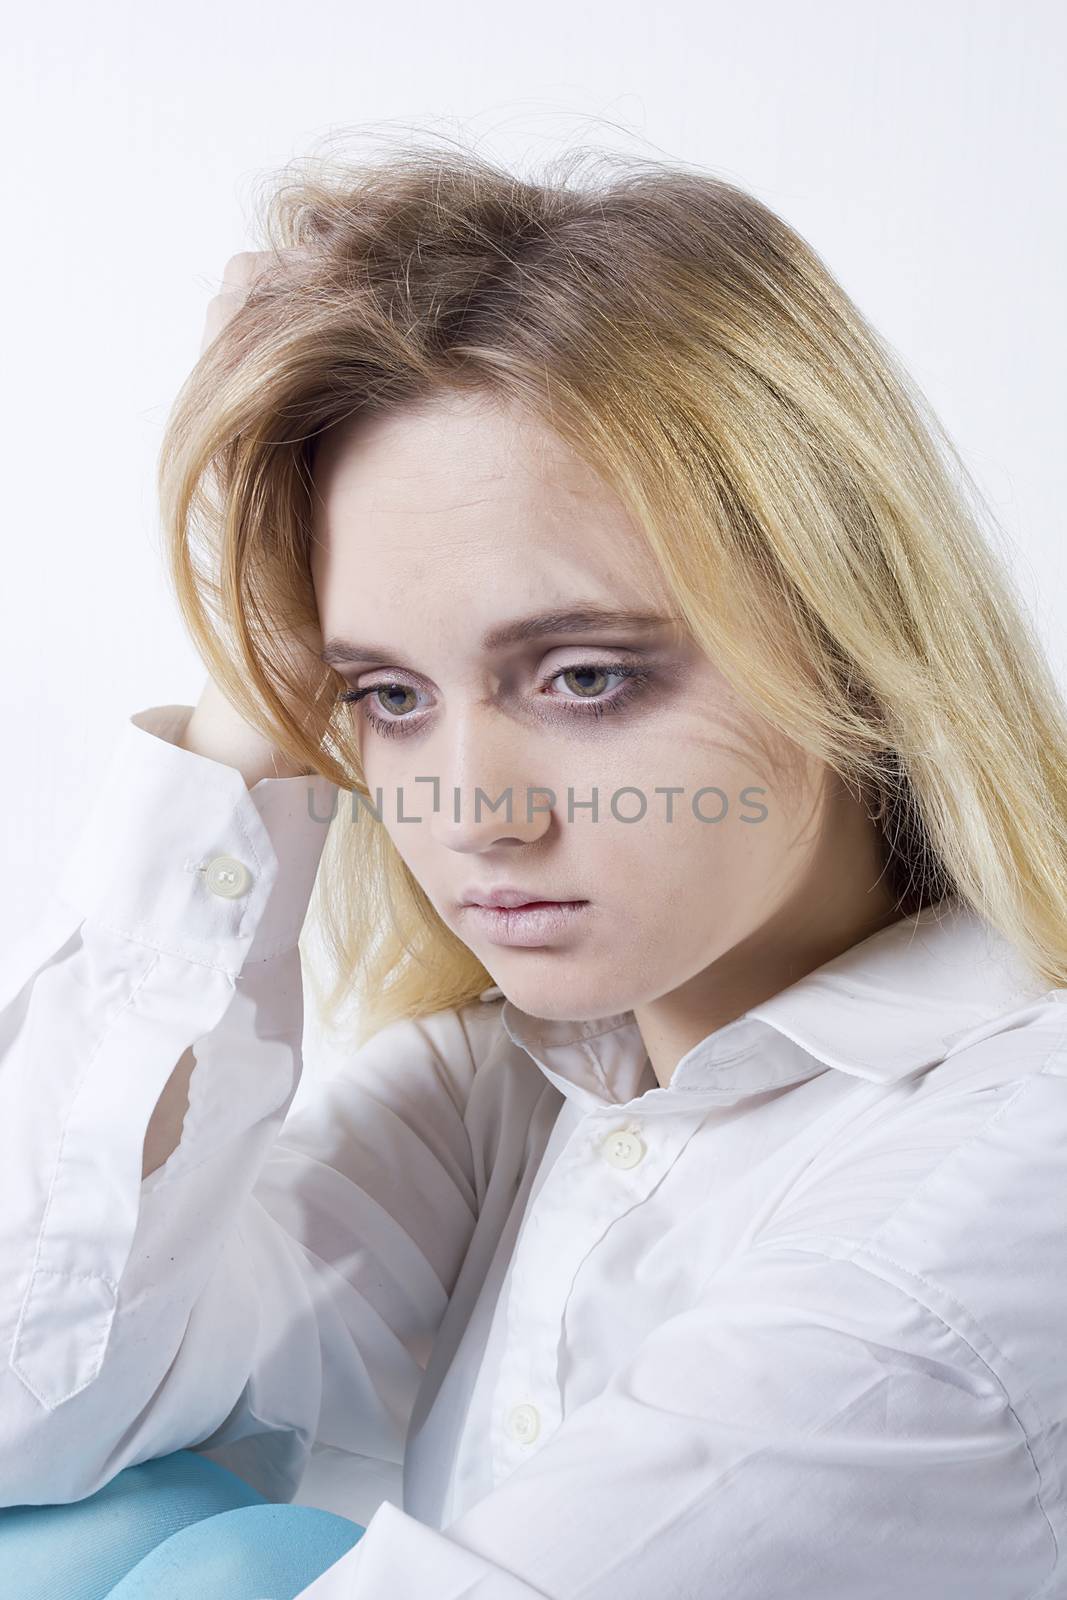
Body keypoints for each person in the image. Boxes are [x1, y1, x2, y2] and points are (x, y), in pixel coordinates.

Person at [1, 139, 1065, 1600]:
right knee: (99, 1537)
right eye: (385, 696)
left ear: (844, 636)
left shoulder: (1015, 1180)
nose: (467, 814)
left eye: (579, 677)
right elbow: (28, 1411)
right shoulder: (513, 1088)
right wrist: (249, 710)